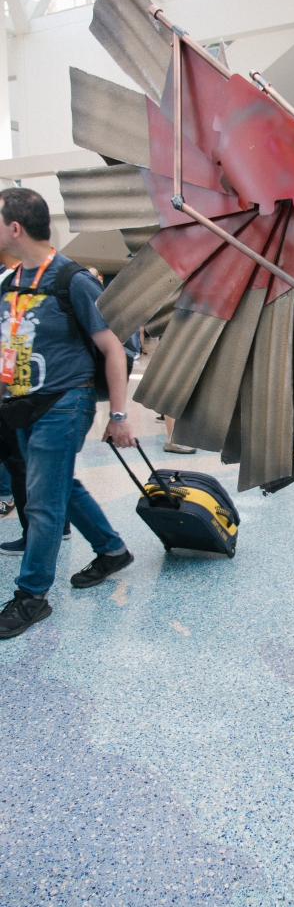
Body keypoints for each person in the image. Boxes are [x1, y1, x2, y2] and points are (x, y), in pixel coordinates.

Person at [0, 188, 135, 640]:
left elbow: (112, 349)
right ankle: (111, 550)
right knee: (59, 483)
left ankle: (32, 596)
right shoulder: (10, 279)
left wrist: (119, 416)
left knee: (41, 500)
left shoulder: (72, 280)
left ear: (15, 227)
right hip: (22, 403)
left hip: (65, 401)